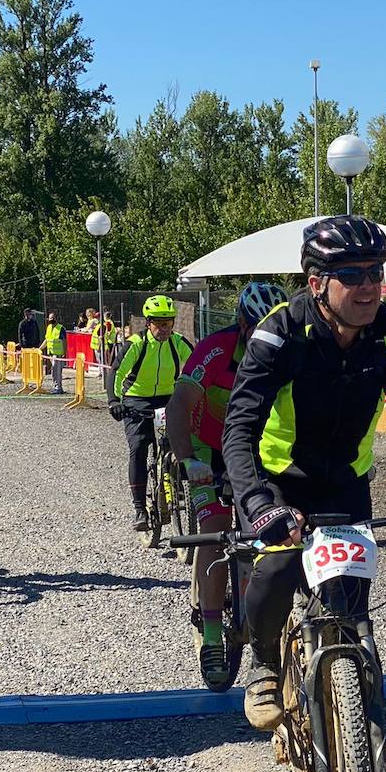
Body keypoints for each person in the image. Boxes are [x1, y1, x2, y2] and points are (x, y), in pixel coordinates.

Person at [222, 215, 386, 747]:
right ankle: (265, 663)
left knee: (350, 611)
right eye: (353, 274)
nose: (369, 286)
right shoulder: (279, 334)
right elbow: (240, 427)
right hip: (278, 480)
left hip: (345, 482)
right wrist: (256, 503)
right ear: (317, 283)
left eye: (376, 272)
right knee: (277, 568)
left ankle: (364, 754)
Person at [166, 281, 288, 687]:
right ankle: (213, 633)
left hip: (256, 453)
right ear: (240, 322)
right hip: (209, 451)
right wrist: (188, 458)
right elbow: (179, 405)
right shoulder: (216, 350)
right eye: (256, 328)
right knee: (215, 532)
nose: (264, 337)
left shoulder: (289, 349)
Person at [110, 294, 193, 531]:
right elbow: (116, 372)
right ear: (148, 323)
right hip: (137, 399)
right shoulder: (137, 344)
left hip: (168, 397)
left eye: (169, 323)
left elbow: (200, 366)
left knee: (182, 442)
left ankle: (182, 486)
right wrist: (115, 400)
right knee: (138, 447)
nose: (165, 328)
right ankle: (139, 509)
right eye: (159, 323)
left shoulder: (178, 343)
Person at [41, 311, 68, 395]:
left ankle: (59, 388)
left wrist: (64, 352)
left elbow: (64, 341)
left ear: (56, 318)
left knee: (57, 372)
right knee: (53, 371)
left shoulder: (61, 328)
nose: (51, 320)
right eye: (50, 318)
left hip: (58, 354)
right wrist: (40, 348)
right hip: (51, 353)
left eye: (52, 318)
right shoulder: (49, 327)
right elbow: (47, 339)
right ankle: (56, 386)